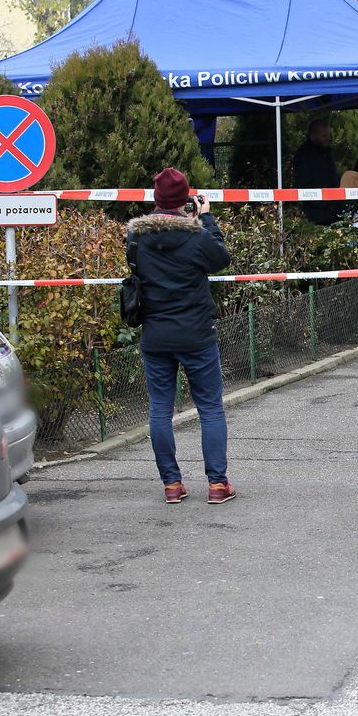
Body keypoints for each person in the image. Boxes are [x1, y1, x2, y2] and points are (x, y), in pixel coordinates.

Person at [128, 168, 236, 504]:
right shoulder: (197, 236)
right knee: (209, 408)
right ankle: (217, 485)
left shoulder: (137, 238)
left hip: (156, 336)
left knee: (160, 409)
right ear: (186, 199)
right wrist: (207, 218)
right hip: (196, 335)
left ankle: (172, 485)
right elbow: (221, 259)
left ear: (156, 199)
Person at [293, 118, 341, 226]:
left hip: (332, 208)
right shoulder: (304, 155)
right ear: (312, 136)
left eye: (328, 135)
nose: (328, 138)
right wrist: (322, 203)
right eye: (324, 136)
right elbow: (303, 183)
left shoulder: (327, 152)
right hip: (315, 212)